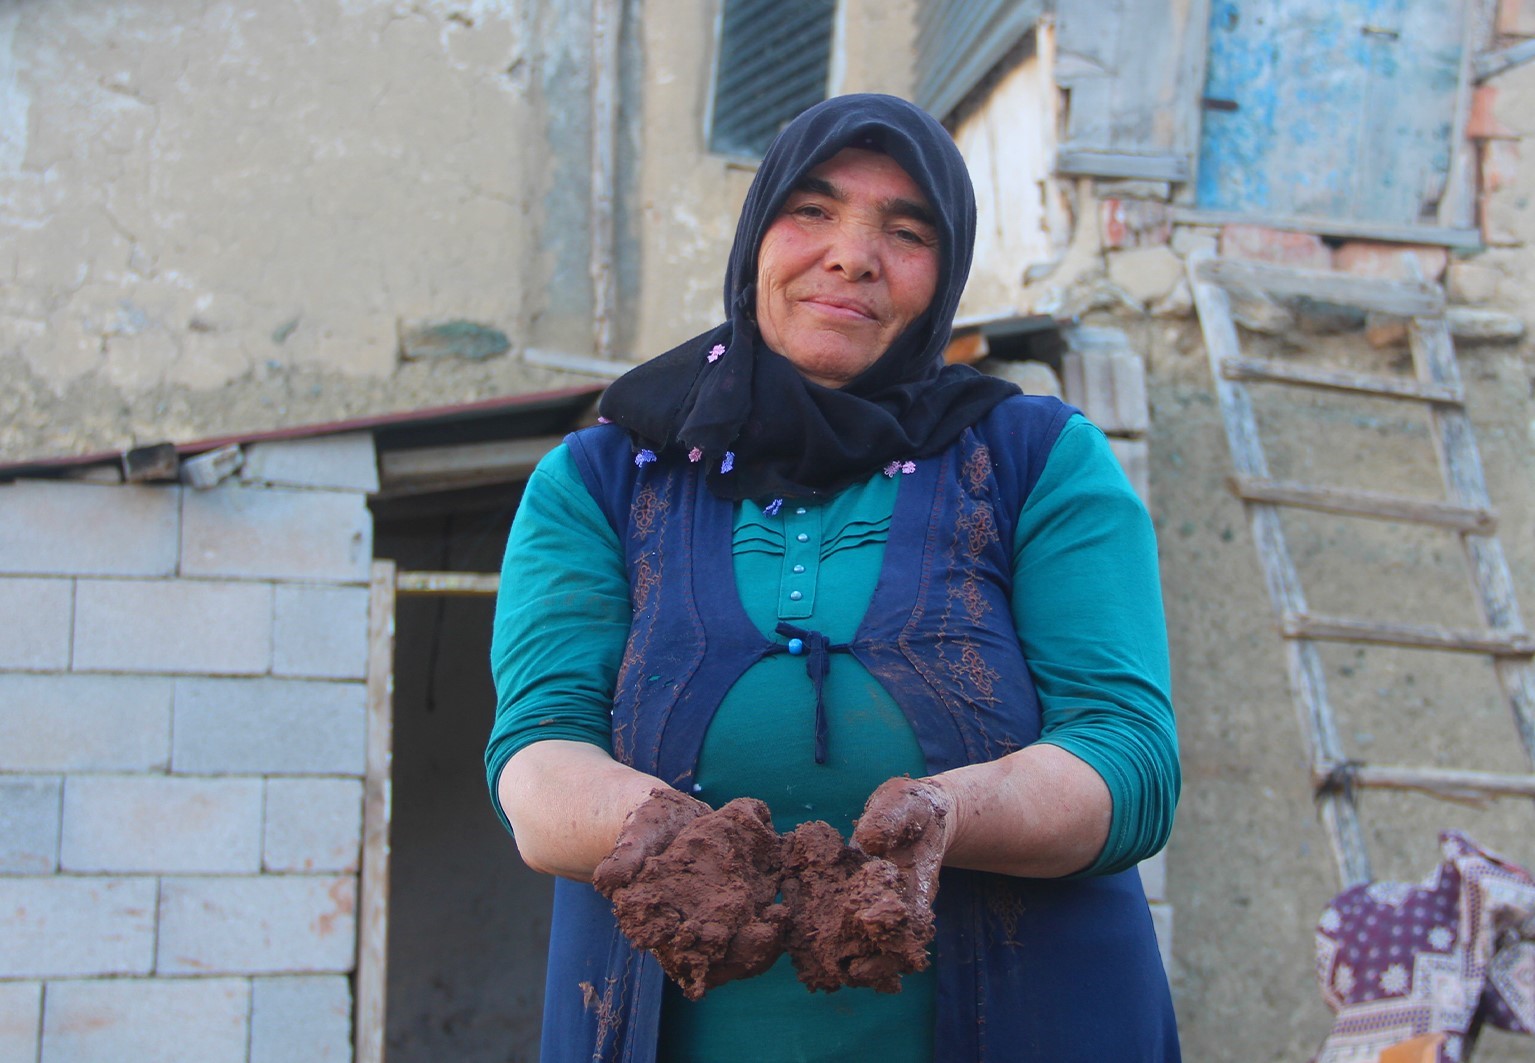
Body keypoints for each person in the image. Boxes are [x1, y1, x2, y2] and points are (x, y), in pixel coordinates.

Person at [486, 93, 1181, 1062]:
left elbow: (1129, 757)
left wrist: (948, 814)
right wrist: (671, 835)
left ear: (942, 277)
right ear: (753, 236)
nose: (852, 254)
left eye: (904, 231)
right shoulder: (604, 480)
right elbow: (534, 760)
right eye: (811, 211)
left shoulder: (1033, 461)